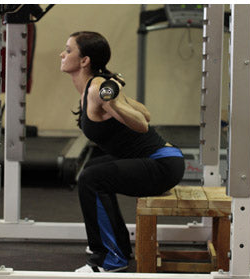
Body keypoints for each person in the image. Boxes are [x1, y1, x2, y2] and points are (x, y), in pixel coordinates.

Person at [59, 31, 185, 272]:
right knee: (93, 170)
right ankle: (117, 247)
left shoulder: (98, 90)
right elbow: (146, 112)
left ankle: (109, 258)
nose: (62, 54)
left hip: (162, 165)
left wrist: (114, 103)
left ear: (84, 60)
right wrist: (116, 93)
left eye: (68, 50)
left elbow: (143, 122)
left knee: (91, 179)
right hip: (160, 161)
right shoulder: (98, 86)